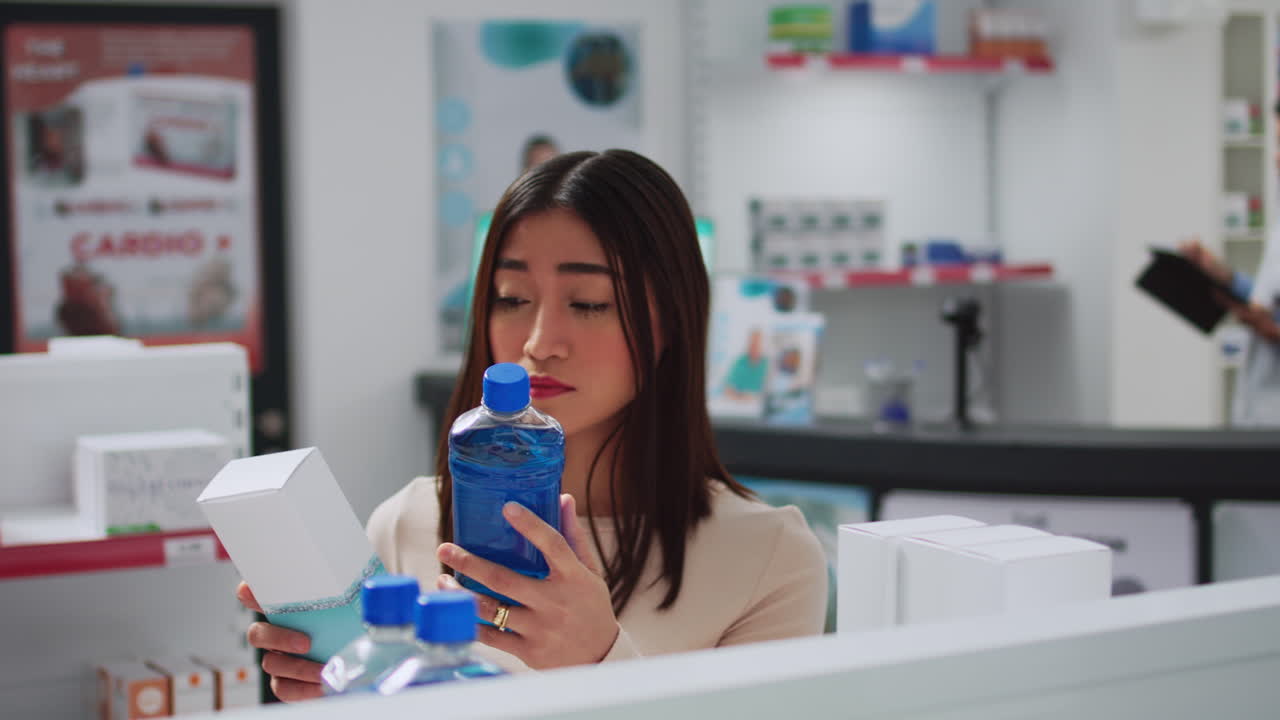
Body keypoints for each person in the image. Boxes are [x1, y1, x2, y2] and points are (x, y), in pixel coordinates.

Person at [237, 149, 828, 701]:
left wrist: (600, 661)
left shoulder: (769, 559)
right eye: (512, 297)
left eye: (590, 302)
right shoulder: (408, 524)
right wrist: (337, 699)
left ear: (673, 321)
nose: (539, 343)